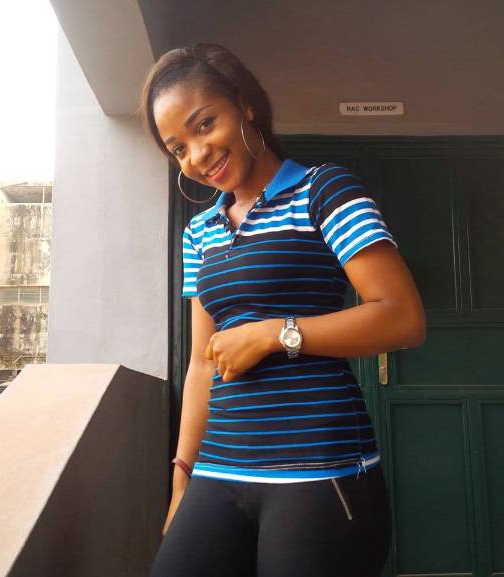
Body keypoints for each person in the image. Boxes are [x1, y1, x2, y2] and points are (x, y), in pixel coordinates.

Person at [139, 43, 426, 577]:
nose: (197, 155)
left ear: (245, 104)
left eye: (205, 125)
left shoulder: (324, 190)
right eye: (178, 148)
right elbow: (202, 363)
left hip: (319, 466)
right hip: (219, 467)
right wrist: (181, 478)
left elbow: (402, 316)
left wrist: (274, 334)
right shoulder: (198, 232)